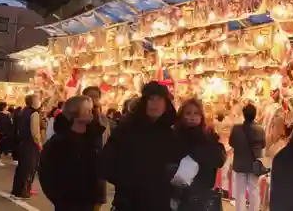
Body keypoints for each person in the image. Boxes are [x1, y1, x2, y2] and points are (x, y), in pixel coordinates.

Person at [99, 81, 178, 211]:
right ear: (144, 103)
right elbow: (106, 162)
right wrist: (128, 181)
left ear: (166, 104)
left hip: (160, 202)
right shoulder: (127, 129)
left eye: (159, 99)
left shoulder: (170, 133)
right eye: (151, 99)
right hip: (130, 202)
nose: (155, 104)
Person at [39, 95, 99, 211]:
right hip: (67, 203)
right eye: (87, 110)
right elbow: (46, 172)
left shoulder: (93, 138)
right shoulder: (58, 142)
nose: (91, 113)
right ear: (74, 113)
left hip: (89, 201)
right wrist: (59, 197)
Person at [172, 98, 226, 211]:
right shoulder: (174, 136)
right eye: (188, 113)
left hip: (202, 197)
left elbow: (218, 160)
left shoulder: (209, 137)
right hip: (180, 197)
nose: (192, 116)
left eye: (196, 113)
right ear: (182, 115)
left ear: (201, 116)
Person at [229, 104, 266, 211]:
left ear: (244, 114)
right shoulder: (260, 130)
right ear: (255, 115)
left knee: (240, 191)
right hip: (254, 164)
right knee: (254, 189)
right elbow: (263, 144)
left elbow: (231, 143)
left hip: (240, 163)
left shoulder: (236, 129)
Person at [82, 86, 110, 211]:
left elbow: (107, 138)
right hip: (82, 164)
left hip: (100, 163)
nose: (94, 99)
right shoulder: (78, 118)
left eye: (96, 97)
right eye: (90, 96)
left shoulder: (103, 118)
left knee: (98, 200)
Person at [11, 94, 44, 199]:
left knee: (22, 167)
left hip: (22, 142)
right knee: (29, 168)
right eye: (38, 99)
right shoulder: (34, 114)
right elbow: (35, 132)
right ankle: (24, 191)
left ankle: (16, 189)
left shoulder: (23, 111)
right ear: (33, 102)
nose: (39, 101)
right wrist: (39, 144)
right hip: (30, 144)